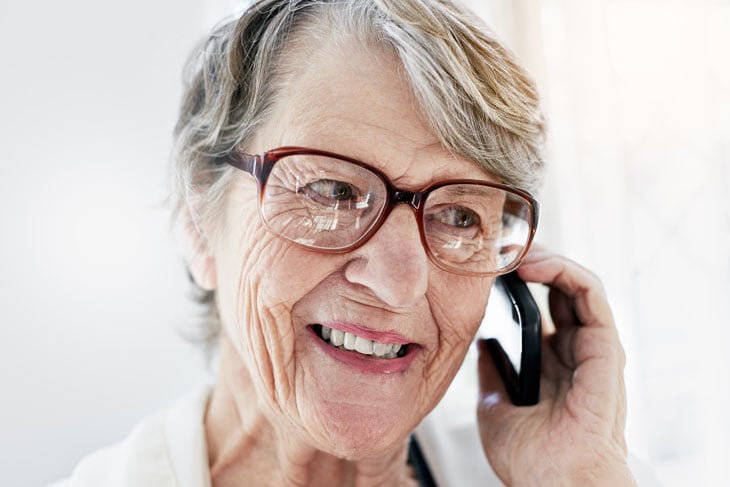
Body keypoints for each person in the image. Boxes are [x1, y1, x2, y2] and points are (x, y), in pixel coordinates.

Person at [53, 0, 653, 485]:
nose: (399, 282)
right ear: (199, 224)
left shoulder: (561, 473)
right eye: (333, 190)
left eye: (461, 217)